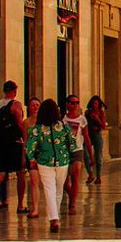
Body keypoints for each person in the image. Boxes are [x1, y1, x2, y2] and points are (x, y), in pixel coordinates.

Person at [25, 100, 79, 233]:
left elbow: (30, 145)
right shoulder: (62, 126)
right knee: (59, 189)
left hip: (44, 162)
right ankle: (55, 217)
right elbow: (72, 142)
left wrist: (32, 158)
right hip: (62, 162)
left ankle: (53, 218)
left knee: (49, 189)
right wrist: (68, 154)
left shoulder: (38, 127)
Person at [0, 83, 25, 210]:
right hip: (14, 143)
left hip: (0, 143)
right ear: (15, 91)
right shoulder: (16, 104)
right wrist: (25, 139)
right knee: (20, 173)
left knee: (0, 174)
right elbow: (19, 123)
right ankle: (20, 204)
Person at [84, 96, 109, 183]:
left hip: (97, 134)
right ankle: (90, 174)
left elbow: (103, 126)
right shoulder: (87, 112)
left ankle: (99, 176)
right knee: (86, 155)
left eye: (96, 103)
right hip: (89, 134)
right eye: (93, 103)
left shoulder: (101, 113)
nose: (94, 105)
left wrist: (97, 119)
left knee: (98, 156)